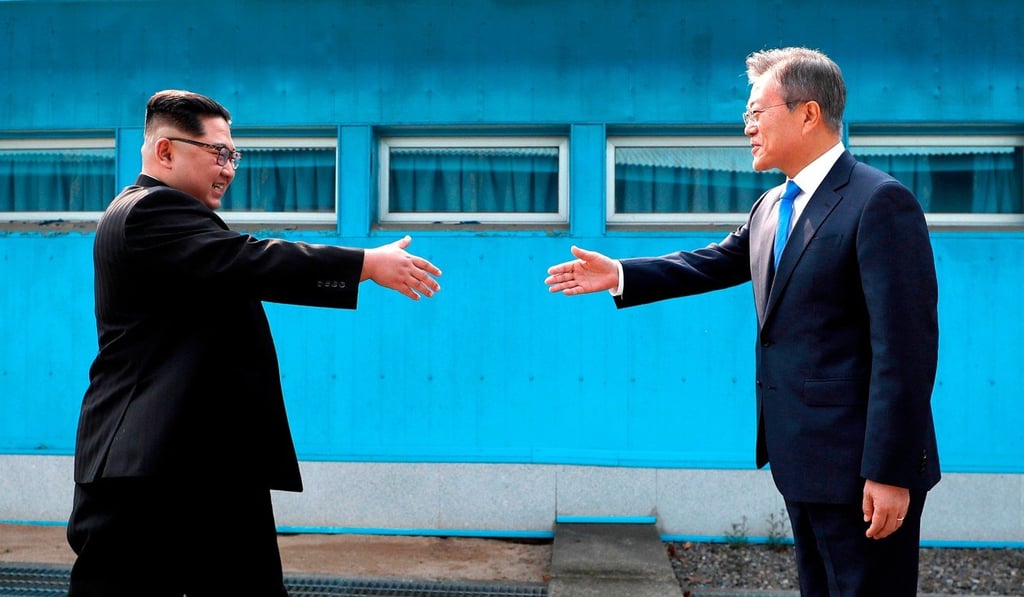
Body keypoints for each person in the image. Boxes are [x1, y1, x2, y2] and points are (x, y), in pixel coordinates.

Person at [545, 47, 939, 596]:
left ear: (808, 114)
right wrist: (618, 273)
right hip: (802, 460)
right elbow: (711, 263)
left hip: (861, 470)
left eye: (758, 112)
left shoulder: (879, 202)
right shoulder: (773, 205)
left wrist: (890, 471)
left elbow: (906, 351)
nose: (748, 128)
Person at [67, 90, 442, 596]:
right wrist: (364, 266)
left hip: (196, 462)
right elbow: (252, 260)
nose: (228, 168)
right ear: (165, 152)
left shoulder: (155, 215)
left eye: (233, 155)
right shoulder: (151, 211)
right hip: (154, 468)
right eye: (217, 153)